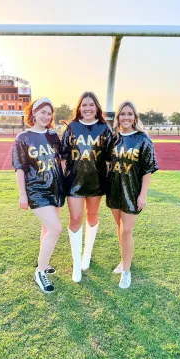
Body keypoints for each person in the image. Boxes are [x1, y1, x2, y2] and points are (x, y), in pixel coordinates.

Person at [12, 97, 64, 294]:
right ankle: (40, 271)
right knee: (55, 228)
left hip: (55, 187)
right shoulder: (23, 138)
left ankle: (45, 261)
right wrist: (22, 195)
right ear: (33, 112)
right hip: (36, 190)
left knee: (46, 228)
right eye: (42, 112)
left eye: (49, 113)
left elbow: (60, 161)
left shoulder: (53, 136)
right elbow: (20, 168)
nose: (46, 116)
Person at [61, 92, 112, 282]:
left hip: (96, 182)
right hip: (74, 181)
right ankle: (76, 264)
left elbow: (108, 158)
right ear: (79, 108)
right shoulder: (72, 127)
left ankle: (87, 254)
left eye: (91, 105)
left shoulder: (104, 128)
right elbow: (63, 156)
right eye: (84, 105)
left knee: (92, 216)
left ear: (97, 108)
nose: (88, 108)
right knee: (75, 218)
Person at [106, 100, 158, 289]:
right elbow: (107, 162)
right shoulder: (114, 138)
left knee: (126, 230)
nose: (126, 117)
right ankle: (124, 260)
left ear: (135, 117)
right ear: (118, 117)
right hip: (114, 189)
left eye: (129, 114)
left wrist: (142, 195)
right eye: (122, 114)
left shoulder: (143, 139)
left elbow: (147, 170)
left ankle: (126, 271)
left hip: (132, 191)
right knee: (120, 228)